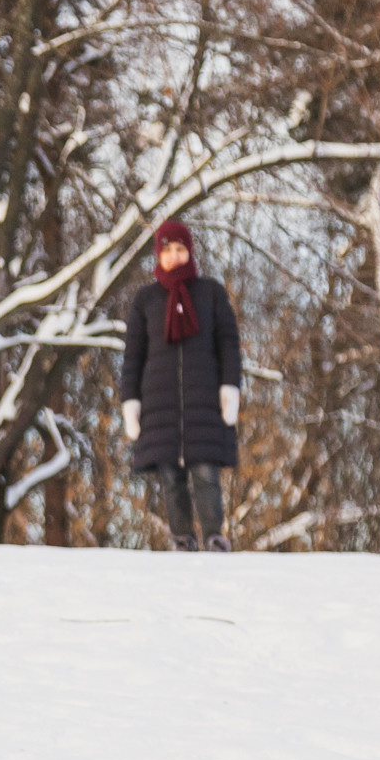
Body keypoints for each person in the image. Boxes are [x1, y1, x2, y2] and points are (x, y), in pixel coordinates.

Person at [119, 219, 243, 551]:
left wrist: (230, 388)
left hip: (203, 400)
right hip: (161, 405)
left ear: (189, 251)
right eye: (167, 250)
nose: (173, 256)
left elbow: (229, 344)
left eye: (179, 249)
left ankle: (215, 536)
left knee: (205, 473)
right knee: (170, 477)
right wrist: (130, 402)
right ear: (158, 255)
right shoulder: (145, 300)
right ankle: (182, 539)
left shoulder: (211, 294)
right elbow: (133, 356)